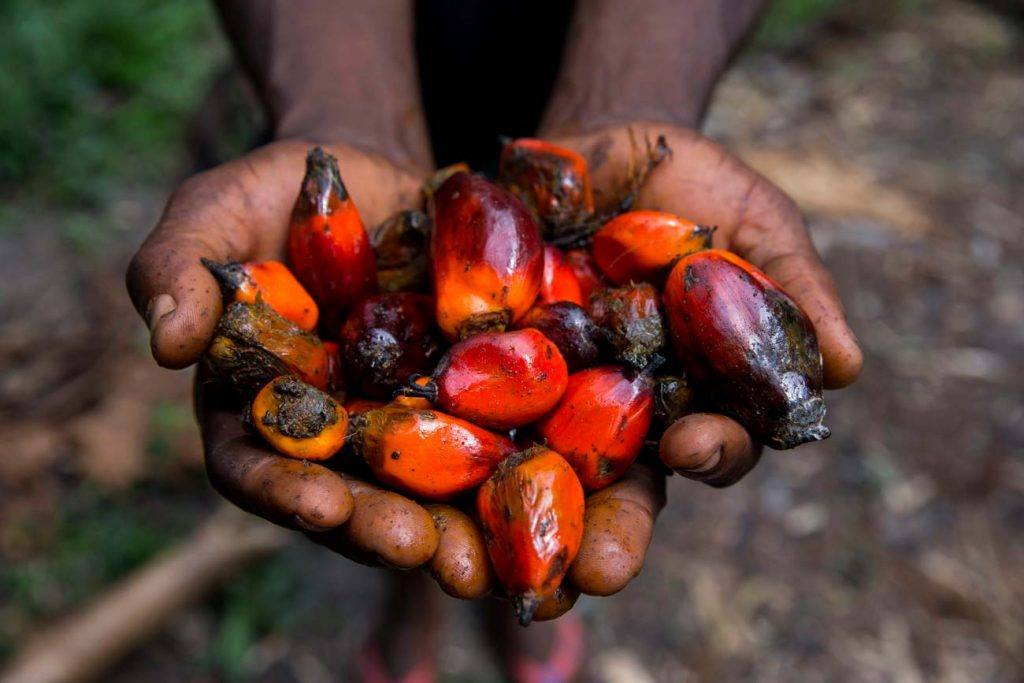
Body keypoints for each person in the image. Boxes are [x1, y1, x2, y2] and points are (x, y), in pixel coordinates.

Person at [126, 1, 863, 680]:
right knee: (404, 519)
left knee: (453, 496)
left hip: (594, 66)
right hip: (360, 64)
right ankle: (424, 596)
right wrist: (341, 118)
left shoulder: (540, 320)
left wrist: (631, 102)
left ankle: (505, 584)